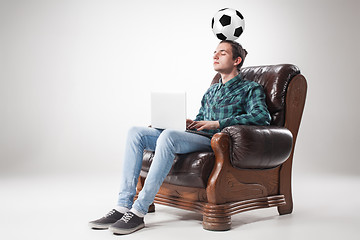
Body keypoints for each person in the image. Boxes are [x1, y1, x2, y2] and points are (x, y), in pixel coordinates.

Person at [89, 40, 271, 235]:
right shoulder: (212, 90)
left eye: (222, 53)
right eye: (215, 52)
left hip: (216, 141)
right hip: (198, 135)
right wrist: (189, 123)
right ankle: (122, 206)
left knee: (168, 136)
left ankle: (139, 210)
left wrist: (218, 124)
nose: (215, 56)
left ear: (237, 60)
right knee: (136, 132)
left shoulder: (250, 88)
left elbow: (262, 117)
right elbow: (202, 119)